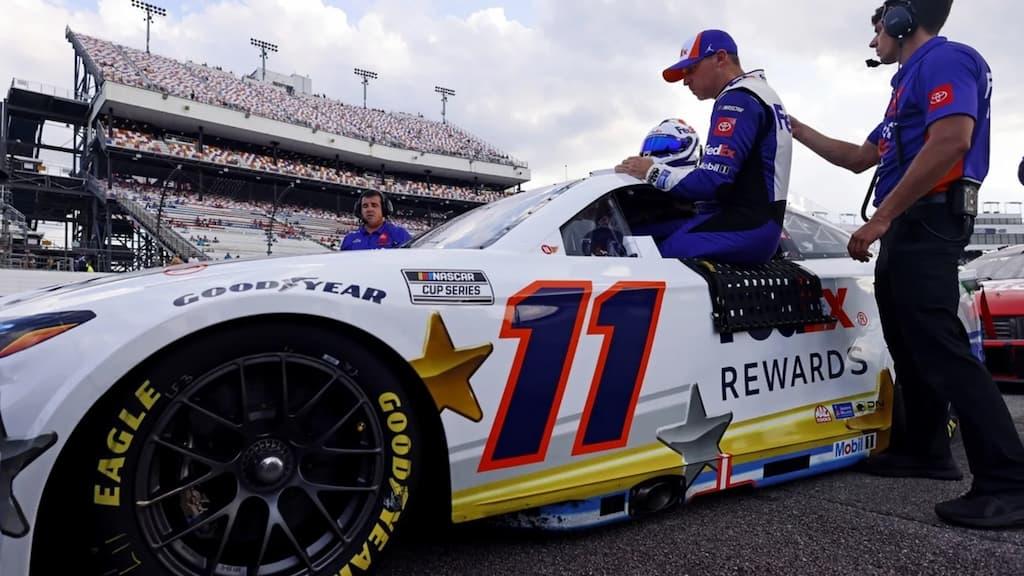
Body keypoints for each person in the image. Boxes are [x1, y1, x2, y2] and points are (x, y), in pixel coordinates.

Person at [791, 0, 1024, 528]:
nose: (874, 43)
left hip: (927, 221)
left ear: (900, 22)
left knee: (940, 346)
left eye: (876, 31)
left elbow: (952, 140)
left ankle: (1010, 481)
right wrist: (795, 127)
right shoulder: (905, 85)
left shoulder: (947, 60)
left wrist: (880, 219)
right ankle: (925, 451)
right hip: (906, 225)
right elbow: (858, 158)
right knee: (908, 343)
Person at [615, 29, 793, 265]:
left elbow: (712, 183)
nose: (686, 80)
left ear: (720, 58)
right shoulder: (760, 92)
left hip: (747, 229)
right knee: (645, 233)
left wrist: (650, 170)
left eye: (691, 69)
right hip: (755, 226)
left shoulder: (737, 98)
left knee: (652, 260)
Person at [340, 190, 411, 250]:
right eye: (365, 206)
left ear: (384, 209)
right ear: (360, 211)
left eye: (374, 205)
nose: (369, 209)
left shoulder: (400, 234)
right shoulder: (349, 239)